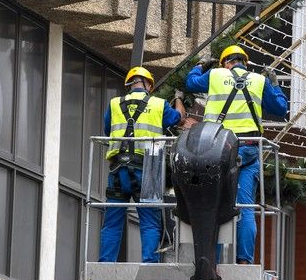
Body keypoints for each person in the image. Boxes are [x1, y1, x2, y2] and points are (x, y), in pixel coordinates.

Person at [185, 45, 288, 264]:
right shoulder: (259, 81)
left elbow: (191, 83)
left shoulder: (215, 75)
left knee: (216, 204)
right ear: (245, 62)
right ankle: (244, 260)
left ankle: (212, 260)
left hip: (218, 149)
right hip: (249, 148)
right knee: (246, 205)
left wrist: (200, 66)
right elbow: (280, 108)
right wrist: (275, 85)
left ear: (224, 62)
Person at [99, 66, 185, 263]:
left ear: (130, 83)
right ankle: (148, 263)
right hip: (147, 171)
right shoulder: (158, 104)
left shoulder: (115, 104)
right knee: (149, 221)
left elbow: (107, 129)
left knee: (112, 221)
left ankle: (106, 262)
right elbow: (179, 119)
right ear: (148, 84)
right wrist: (179, 99)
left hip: (118, 169)